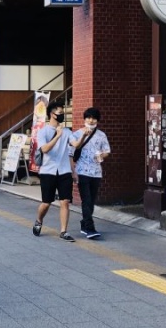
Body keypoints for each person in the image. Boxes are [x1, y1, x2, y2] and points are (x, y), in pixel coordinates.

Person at [32, 100, 78, 242]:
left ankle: (63, 231)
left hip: (64, 171)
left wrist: (84, 136)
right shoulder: (43, 132)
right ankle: (39, 220)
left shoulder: (67, 131)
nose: (62, 115)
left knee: (65, 201)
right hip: (48, 171)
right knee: (46, 202)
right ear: (52, 114)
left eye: (63, 113)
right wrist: (57, 136)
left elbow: (75, 144)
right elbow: (44, 149)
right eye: (59, 113)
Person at [70, 107, 111, 239]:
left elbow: (107, 151)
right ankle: (90, 227)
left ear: (97, 120)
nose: (91, 120)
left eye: (93, 118)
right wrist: (73, 172)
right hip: (82, 171)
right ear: (84, 119)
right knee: (86, 199)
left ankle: (84, 223)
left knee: (91, 200)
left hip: (96, 172)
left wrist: (102, 156)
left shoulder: (101, 135)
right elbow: (72, 151)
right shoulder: (76, 133)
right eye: (88, 117)